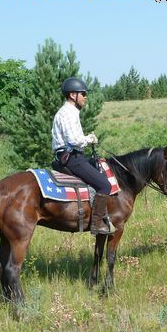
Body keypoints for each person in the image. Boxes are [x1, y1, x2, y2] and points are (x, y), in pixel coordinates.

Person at [52, 77, 115, 235]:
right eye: (83, 93)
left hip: (72, 155)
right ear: (73, 95)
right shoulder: (68, 113)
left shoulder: (69, 112)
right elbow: (74, 140)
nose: (85, 97)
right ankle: (97, 223)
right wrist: (89, 139)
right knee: (105, 185)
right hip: (72, 158)